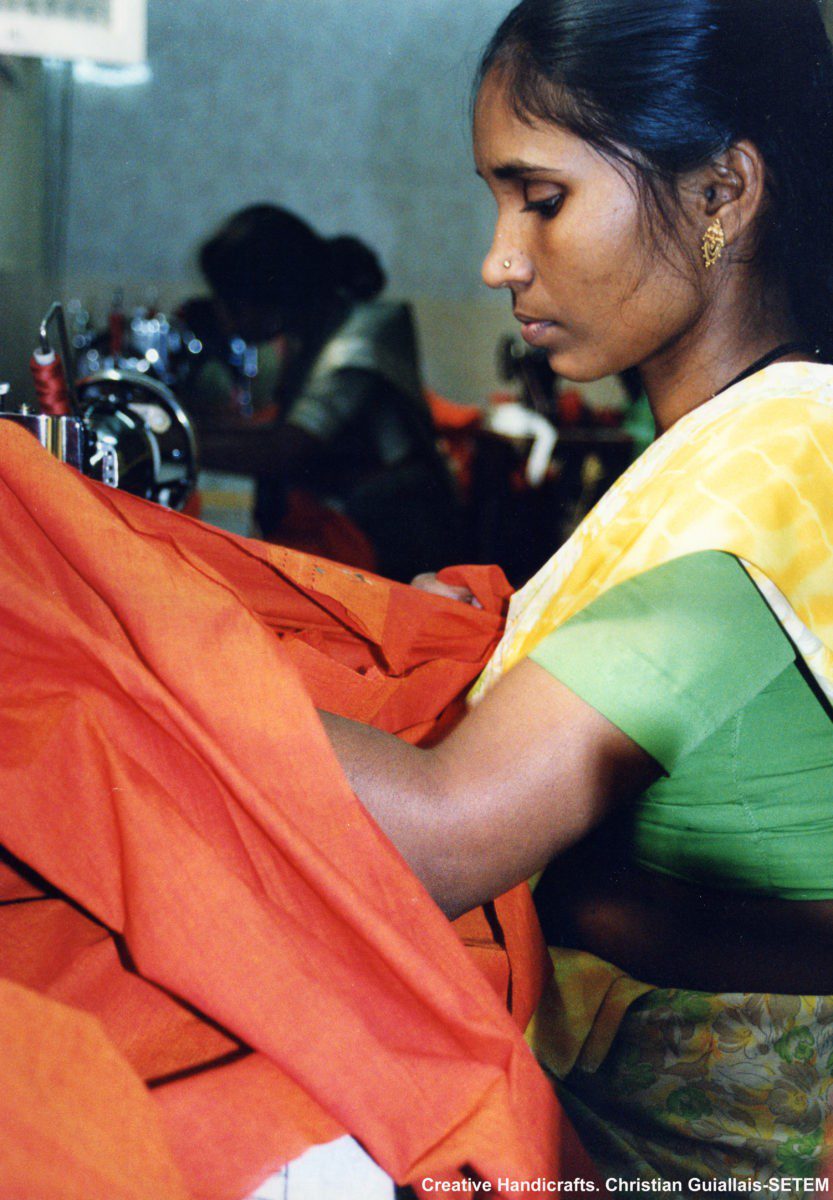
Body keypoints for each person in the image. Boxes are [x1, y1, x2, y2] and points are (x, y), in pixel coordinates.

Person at [319, 0, 833, 1187]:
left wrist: (109, 635)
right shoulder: (730, 450)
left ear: (721, 193)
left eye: (539, 198)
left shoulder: (774, 465)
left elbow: (445, 831)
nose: (498, 260)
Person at [181, 204, 462, 582]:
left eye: (232, 302)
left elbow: (286, 448)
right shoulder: (311, 329)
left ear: (272, 297)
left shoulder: (363, 333)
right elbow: (275, 427)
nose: (224, 314)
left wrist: (177, 441)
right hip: (359, 521)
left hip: (398, 539)